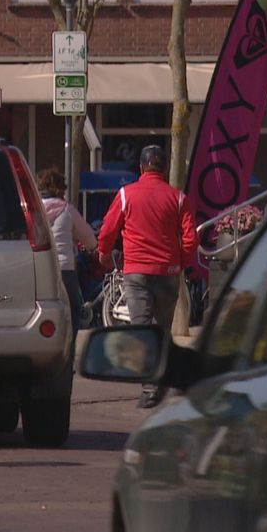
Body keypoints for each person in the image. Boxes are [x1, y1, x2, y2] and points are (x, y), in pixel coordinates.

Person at [97, 145, 198, 408]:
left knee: (141, 330)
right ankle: (160, 379)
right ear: (164, 169)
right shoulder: (178, 198)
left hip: (137, 273)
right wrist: (181, 264)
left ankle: (151, 387)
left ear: (141, 168)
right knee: (161, 330)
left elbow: (108, 230)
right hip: (167, 272)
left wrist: (103, 254)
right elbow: (190, 238)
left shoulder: (125, 195)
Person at [37, 169, 97, 336]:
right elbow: (90, 240)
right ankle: (69, 345)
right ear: (61, 189)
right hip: (64, 268)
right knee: (73, 308)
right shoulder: (67, 210)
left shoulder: (34, 211)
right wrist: (92, 247)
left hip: (39, 269)